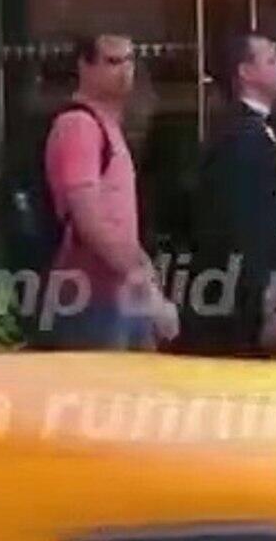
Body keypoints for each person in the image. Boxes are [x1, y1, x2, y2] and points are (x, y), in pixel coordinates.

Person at [42, 34, 179, 350]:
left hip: (116, 295)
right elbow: (89, 222)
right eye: (113, 61)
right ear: (85, 66)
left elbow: (116, 222)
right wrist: (146, 288)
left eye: (129, 60)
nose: (125, 70)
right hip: (91, 297)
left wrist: (144, 275)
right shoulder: (79, 125)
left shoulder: (107, 126)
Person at [178, 32, 276, 358]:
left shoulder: (252, 132)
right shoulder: (241, 139)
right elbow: (246, 229)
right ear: (246, 72)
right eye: (272, 60)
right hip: (238, 308)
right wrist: (266, 306)